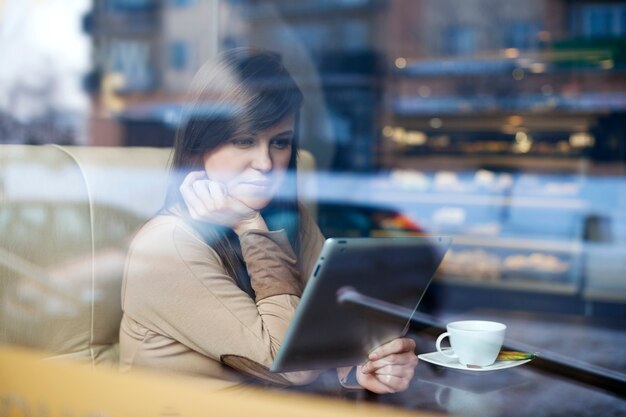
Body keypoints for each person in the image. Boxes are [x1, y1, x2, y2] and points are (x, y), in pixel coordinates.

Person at [119, 47, 418, 393]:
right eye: (243, 141)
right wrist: (250, 228)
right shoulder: (169, 245)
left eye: (279, 142)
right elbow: (290, 364)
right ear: (200, 146)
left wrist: (361, 366)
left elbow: (332, 323)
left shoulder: (287, 216)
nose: (265, 162)